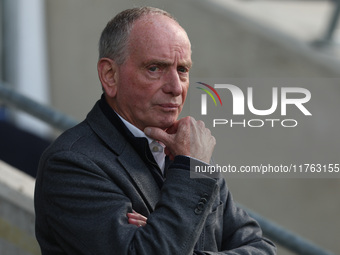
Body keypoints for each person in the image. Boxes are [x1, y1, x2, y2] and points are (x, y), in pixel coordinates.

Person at [34, 7, 276, 255]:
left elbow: (262, 249)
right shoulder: (70, 163)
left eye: (182, 70)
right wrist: (191, 167)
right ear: (110, 76)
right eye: (155, 68)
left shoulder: (190, 152)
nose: (175, 87)